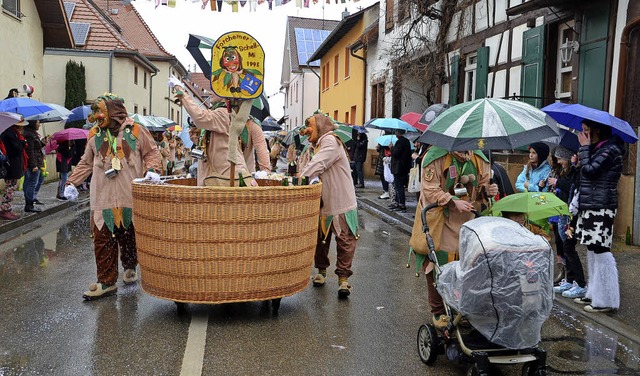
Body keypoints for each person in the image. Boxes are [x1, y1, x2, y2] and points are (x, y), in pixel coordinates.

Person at [65, 93, 161, 300]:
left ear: (114, 112)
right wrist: (72, 182)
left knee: (130, 236)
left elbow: (151, 152)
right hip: (103, 197)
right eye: (95, 112)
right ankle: (106, 281)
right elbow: (86, 162)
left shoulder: (136, 130)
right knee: (102, 240)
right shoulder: (93, 134)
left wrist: (152, 169)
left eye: (100, 111)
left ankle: (129, 266)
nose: (96, 117)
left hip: (130, 196)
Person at [415, 146, 498, 328]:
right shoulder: (435, 156)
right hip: (440, 218)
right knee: (438, 263)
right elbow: (429, 189)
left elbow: (482, 188)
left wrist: (488, 190)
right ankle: (438, 310)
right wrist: (452, 201)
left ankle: (462, 307)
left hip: (469, 220)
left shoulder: (479, 158)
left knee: (468, 265)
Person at [300, 113, 358, 299]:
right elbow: (308, 163)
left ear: (320, 126)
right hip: (323, 203)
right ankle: (321, 272)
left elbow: (318, 164)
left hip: (341, 201)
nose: (305, 130)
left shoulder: (330, 142)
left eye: (309, 125)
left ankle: (343, 280)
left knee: (345, 241)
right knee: (321, 241)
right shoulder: (314, 146)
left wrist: (299, 179)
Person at [571, 120, 624, 313]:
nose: (583, 135)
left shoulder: (610, 150)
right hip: (590, 204)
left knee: (601, 251)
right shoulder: (597, 149)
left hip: (601, 206)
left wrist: (584, 150)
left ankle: (607, 300)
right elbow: (585, 174)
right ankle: (594, 293)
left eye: (586, 131)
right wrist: (580, 160)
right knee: (592, 250)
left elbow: (591, 171)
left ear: (597, 131)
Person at [171, 80, 252, 186]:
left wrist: (182, 92)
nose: (210, 92)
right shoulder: (217, 112)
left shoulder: (224, 113)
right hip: (217, 177)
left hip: (229, 177)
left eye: (214, 88)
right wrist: (193, 126)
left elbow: (200, 117)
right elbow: (203, 141)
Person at [548, 146, 587, 299]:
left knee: (569, 247)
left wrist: (557, 183)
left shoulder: (575, 172)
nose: (559, 162)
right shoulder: (567, 171)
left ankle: (581, 283)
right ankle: (570, 280)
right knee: (565, 247)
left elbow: (571, 186)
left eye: (561, 159)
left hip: (571, 214)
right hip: (564, 213)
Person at [0, 118, 28, 220]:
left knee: (11, 187)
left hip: (14, 165)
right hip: (11, 165)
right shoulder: (9, 134)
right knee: (9, 188)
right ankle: (5, 210)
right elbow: (17, 149)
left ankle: (7, 209)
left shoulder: (12, 134)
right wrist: (23, 142)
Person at [22, 120, 46, 212]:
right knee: (31, 183)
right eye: (38, 122)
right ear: (33, 123)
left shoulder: (32, 134)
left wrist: (43, 143)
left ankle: (30, 203)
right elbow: (30, 151)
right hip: (33, 163)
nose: (39, 124)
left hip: (36, 161)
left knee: (31, 182)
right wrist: (33, 165)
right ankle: (29, 205)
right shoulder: (29, 135)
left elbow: (36, 148)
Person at [388, 129, 412, 212]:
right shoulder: (405, 141)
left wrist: (391, 148)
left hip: (399, 167)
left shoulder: (401, 142)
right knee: (398, 186)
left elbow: (396, 153)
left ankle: (401, 204)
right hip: (403, 167)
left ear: (398, 133)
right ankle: (398, 203)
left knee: (399, 186)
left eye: (396, 132)